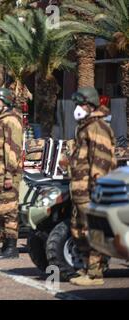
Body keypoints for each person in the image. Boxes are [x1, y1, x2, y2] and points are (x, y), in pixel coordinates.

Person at [68, 87, 116, 286]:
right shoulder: (85, 126)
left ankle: (96, 274)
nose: (77, 108)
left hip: (91, 190)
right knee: (79, 230)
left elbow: (101, 160)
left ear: (90, 105)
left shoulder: (97, 127)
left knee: (93, 230)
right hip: (80, 190)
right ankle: (88, 269)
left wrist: (97, 187)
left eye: (80, 104)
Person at [0, 88, 24, 260]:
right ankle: (4, 246)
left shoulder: (11, 120)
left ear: (6, 103)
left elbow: (14, 150)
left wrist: (9, 174)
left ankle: (11, 248)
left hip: (8, 173)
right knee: (1, 209)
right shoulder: (0, 120)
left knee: (9, 210)